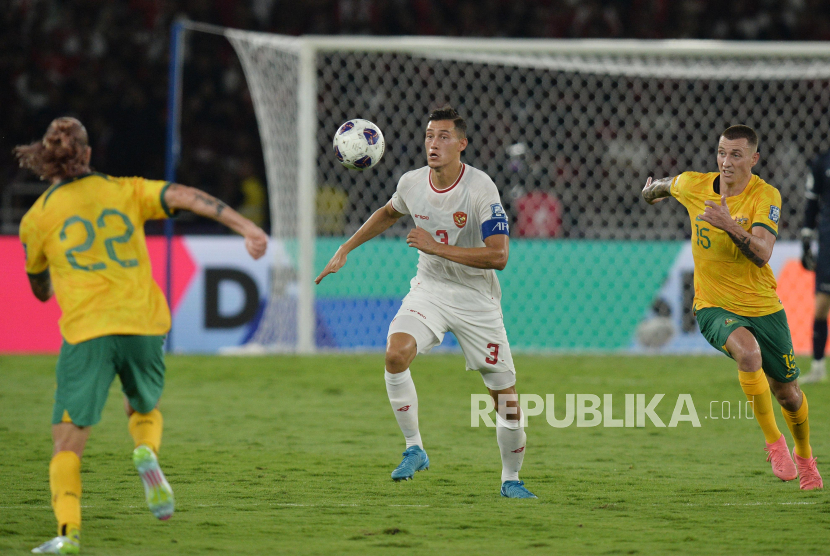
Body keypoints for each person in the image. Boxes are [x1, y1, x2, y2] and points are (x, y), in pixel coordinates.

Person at [15, 117, 269, 554]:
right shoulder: (126, 190)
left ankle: (68, 533)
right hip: (144, 323)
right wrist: (246, 227)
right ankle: (146, 450)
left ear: (48, 159)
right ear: (89, 154)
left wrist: (55, 276)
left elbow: (39, 290)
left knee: (67, 442)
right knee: (142, 406)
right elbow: (186, 196)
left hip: (89, 330)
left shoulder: (36, 219)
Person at [315, 106, 536, 499]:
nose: (434, 144)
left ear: (462, 144)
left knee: (506, 398)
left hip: (476, 299)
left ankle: (510, 479)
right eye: (429, 136)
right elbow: (387, 213)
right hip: (430, 288)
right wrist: (346, 247)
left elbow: (499, 256)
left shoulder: (481, 188)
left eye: (444, 137)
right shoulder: (412, 183)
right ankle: (414, 447)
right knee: (395, 354)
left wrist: (437, 247)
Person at [642, 124, 822, 491]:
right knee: (749, 355)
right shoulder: (694, 184)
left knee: (787, 392)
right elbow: (663, 184)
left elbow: (762, 253)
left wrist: (728, 225)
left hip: (763, 305)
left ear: (753, 159)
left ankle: (805, 457)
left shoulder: (765, 195)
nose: (726, 161)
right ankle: (775, 445)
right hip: (712, 305)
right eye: (722, 152)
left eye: (736, 154)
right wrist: (651, 193)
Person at [799, 148, 830, 383]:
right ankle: (818, 366)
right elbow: (811, 203)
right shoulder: (822, 162)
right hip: (828, 240)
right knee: (821, 304)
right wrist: (807, 240)